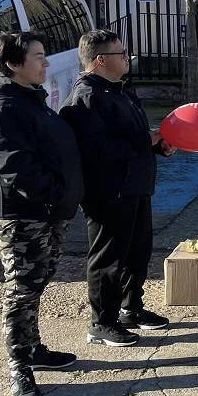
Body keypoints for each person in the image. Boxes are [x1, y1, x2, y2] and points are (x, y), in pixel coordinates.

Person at [60, 30, 174, 349]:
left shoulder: (119, 90)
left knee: (137, 252)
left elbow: (133, 136)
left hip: (135, 186)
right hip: (109, 191)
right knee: (108, 257)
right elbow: (95, 149)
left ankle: (130, 309)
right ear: (100, 61)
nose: (127, 58)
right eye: (121, 54)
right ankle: (102, 323)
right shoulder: (87, 97)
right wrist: (143, 141)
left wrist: (157, 145)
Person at [0, 32, 84, 396]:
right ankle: (20, 368)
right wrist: (52, 194)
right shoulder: (4, 106)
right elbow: (13, 165)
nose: (47, 63)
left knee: (39, 281)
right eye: (38, 57)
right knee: (23, 289)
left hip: (50, 213)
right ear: (14, 64)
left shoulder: (32, 100)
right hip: (23, 215)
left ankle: (33, 348)